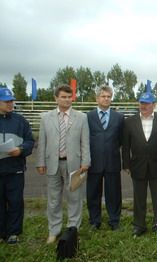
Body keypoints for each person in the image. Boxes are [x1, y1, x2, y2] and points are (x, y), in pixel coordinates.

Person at [36, 84, 90, 244]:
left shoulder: (81, 117)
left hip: (75, 165)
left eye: (69, 97)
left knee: (75, 197)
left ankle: (73, 229)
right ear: (56, 98)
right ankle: (54, 230)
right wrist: (40, 162)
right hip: (52, 164)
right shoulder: (46, 118)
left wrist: (86, 162)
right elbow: (42, 142)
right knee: (53, 200)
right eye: (63, 97)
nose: (67, 100)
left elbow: (85, 142)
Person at [122, 92, 157, 237]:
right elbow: (125, 145)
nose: (143, 106)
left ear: (154, 105)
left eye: (147, 103)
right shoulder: (129, 122)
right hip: (137, 165)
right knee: (139, 197)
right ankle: (139, 226)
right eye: (141, 103)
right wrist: (126, 163)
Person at [86, 85, 124, 232]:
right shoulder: (88, 117)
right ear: (97, 98)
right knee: (93, 193)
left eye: (108, 96)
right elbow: (85, 139)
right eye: (103, 96)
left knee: (114, 193)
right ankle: (95, 221)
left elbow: (120, 139)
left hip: (112, 161)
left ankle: (114, 220)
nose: (106, 99)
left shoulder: (119, 117)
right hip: (94, 162)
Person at [0, 87, 34, 244]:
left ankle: (14, 232)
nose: (10, 103)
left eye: (12, 101)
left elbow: (30, 142)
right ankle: (1, 233)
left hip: (16, 169)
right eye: (7, 101)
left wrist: (20, 149)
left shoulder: (20, 121)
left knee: (15, 202)